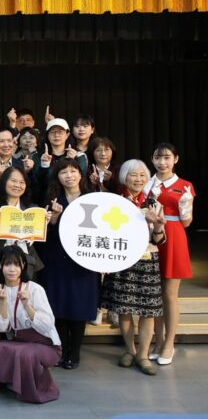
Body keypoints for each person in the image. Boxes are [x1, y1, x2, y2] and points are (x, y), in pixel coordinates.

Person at [99, 159, 165, 376]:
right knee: (124, 309)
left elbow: (160, 239)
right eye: (133, 175)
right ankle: (129, 350)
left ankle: (143, 355)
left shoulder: (154, 203)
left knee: (148, 311)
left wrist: (158, 226)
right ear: (124, 177)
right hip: (122, 260)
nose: (138, 179)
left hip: (147, 259)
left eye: (142, 175)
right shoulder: (115, 202)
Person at [0, 247, 62, 403]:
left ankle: (36, 389)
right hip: (19, 340)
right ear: (0, 265)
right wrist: (2, 302)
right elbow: (0, 328)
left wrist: (27, 305)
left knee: (25, 354)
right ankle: (3, 383)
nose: (12, 269)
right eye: (7, 264)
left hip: (46, 343)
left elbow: (47, 325)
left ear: (23, 266)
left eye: (16, 264)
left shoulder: (35, 289)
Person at [36, 159, 96, 369]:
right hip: (56, 259)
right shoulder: (51, 200)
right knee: (58, 304)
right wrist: (53, 219)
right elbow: (43, 236)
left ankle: (75, 352)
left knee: (79, 306)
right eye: (64, 172)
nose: (69, 176)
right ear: (57, 177)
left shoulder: (92, 198)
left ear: (80, 174)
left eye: (73, 171)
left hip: (83, 261)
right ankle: (62, 350)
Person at [143, 143, 195, 366]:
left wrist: (185, 207)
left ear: (176, 159)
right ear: (152, 160)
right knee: (155, 293)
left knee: (169, 294)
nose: (162, 162)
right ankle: (158, 340)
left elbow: (187, 222)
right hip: (149, 239)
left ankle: (169, 343)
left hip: (174, 237)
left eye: (167, 158)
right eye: (158, 158)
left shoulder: (184, 186)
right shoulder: (147, 183)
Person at [0, 167, 46, 291]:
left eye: (22, 182)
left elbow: (36, 241)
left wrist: (43, 224)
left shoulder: (32, 209)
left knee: (25, 298)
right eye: (13, 181)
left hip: (26, 262)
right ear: (4, 182)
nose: (17, 185)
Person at [32, 118, 88, 204]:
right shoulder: (38, 156)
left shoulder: (79, 155)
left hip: (73, 200)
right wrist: (44, 165)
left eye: (60, 132)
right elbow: (38, 181)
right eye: (53, 132)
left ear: (67, 134)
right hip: (45, 200)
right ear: (47, 135)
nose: (56, 135)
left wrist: (71, 161)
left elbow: (81, 177)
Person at [0, 126, 33, 200]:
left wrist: (29, 172)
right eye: (2, 141)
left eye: (9, 141)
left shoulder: (22, 164)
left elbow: (31, 194)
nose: (6, 145)